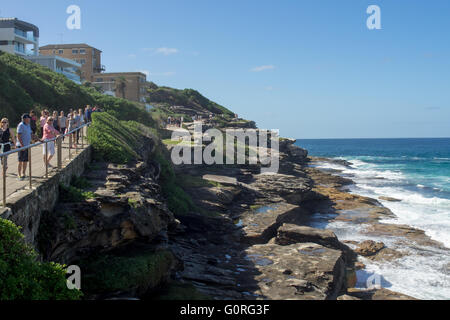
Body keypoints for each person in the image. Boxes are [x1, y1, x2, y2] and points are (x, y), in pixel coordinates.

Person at [16, 114, 33, 181]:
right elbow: (18, 136)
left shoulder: (28, 125)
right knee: (20, 160)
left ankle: (24, 173)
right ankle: (19, 174)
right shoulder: (21, 125)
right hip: (21, 146)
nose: (30, 119)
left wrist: (39, 139)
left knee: (25, 160)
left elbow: (31, 134)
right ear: (25, 118)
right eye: (29, 118)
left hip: (27, 145)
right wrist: (22, 146)